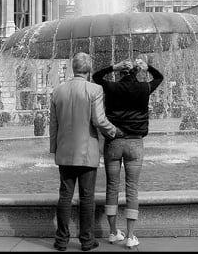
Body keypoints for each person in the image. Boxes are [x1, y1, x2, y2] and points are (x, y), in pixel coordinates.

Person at [49, 52, 121, 252]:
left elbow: (53, 125)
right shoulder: (95, 89)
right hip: (87, 151)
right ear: (89, 70)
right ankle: (87, 241)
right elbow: (98, 120)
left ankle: (61, 240)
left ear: (73, 68)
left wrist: (54, 148)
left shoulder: (58, 91)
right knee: (87, 197)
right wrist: (114, 131)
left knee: (65, 195)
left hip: (64, 152)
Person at [92, 57, 163, 249]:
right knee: (132, 188)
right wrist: (147, 67)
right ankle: (131, 236)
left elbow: (96, 76)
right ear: (136, 72)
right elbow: (160, 77)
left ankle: (114, 232)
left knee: (112, 186)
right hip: (135, 143)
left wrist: (113, 66)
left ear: (121, 73)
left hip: (114, 142)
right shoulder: (145, 88)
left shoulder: (112, 87)